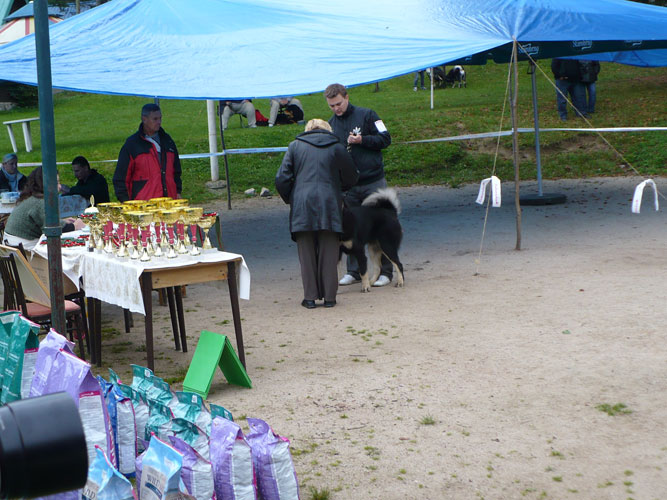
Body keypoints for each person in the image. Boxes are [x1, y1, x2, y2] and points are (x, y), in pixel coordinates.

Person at [275, 119, 358, 309]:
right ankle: (330, 298)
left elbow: (281, 179)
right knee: (330, 252)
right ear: (327, 129)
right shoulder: (337, 147)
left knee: (306, 253)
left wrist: (292, 198)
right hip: (330, 203)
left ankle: (310, 298)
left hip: (302, 205)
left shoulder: (294, 146)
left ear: (307, 130)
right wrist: (339, 189)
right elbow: (352, 176)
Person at [324, 82, 393, 287]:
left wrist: (363, 140)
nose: (336, 109)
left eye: (338, 103)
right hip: (349, 188)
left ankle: (386, 272)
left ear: (346, 97)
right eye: (331, 106)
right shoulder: (331, 125)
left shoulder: (368, 115)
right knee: (350, 230)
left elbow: (385, 139)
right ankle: (354, 271)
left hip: (374, 181)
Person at [3, 167, 85, 251]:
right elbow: (53, 229)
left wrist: (61, 221)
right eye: (56, 183)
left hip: (13, 249)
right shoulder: (39, 202)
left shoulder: (31, 198)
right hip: (24, 251)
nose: (60, 187)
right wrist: (75, 226)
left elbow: (45, 221)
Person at [113, 103, 182, 202]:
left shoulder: (168, 141)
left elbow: (176, 171)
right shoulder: (132, 144)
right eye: (155, 119)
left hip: (169, 204)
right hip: (143, 206)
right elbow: (121, 178)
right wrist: (126, 202)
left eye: (160, 118)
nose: (159, 122)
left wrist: (178, 191)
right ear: (144, 119)